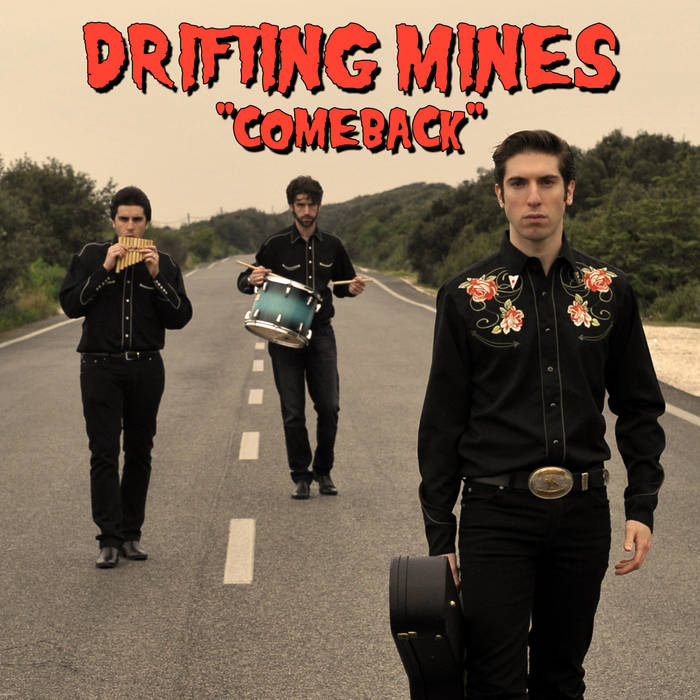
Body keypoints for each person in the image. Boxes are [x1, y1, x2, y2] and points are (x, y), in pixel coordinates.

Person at [417, 130, 665, 699]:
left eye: (547, 182)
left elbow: (639, 406)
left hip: (582, 514)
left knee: (562, 676)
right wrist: (440, 532)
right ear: (499, 195)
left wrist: (642, 504)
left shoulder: (610, 291)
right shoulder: (465, 295)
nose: (534, 196)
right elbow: (443, 421)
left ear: (569, 191)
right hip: (495, 514)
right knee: (494, 680)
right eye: (519, 183)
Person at [60, 186, 192, 568]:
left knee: (139, 451)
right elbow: (71, 305)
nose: (130, 227)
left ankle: (132, 535)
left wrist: (156, 277)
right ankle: (108, 538)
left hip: (146, 366)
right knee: (103, 452)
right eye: (124, 220)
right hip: (100, 366)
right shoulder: (90, 255)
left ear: (147, 222)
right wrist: (104, 269)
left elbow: (180, 317)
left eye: (137, 220)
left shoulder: (164, 263)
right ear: (113, 222)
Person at [237, 175, 365, 499]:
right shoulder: (275, 243)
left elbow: (344, 284)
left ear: (319, 206)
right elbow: (244, 280)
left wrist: (352, 288)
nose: (306, 211)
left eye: (311, 205)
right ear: (291, 206)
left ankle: (323, 471)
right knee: (293, 412)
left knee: (330, 407)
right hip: (284, 336)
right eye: (300, 205)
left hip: (321, 332)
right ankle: (300, 475)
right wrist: (251, 278)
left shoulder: (332, 245)